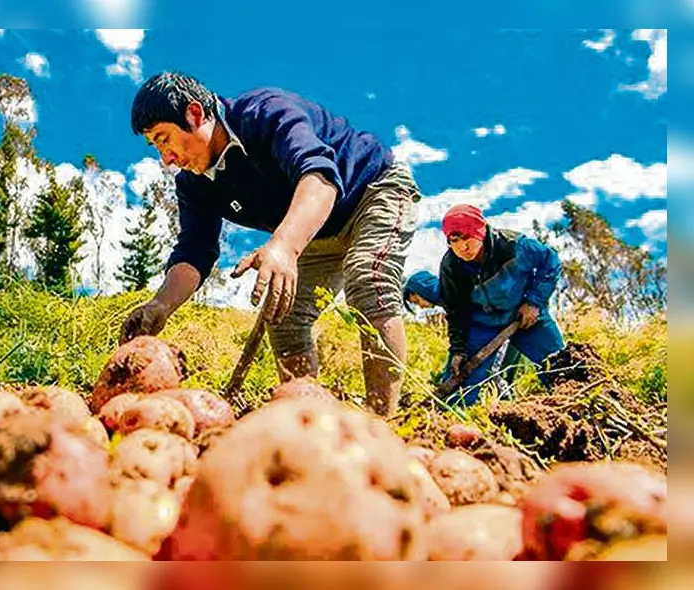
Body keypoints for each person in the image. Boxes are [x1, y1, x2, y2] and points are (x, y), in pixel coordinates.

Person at [118, 71, 422, 418]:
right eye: (156, 146)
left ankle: (382, 423)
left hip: (371, 191)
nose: (165, 158)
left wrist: (284, 247)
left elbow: (320, 178)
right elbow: (195, 250)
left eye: (164, 138)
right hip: (317, 233)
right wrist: (160, 305)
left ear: (194, 114)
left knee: (368, 277)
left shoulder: (266, 113)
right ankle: (304, 421)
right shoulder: (194, 185)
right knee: (284, 315)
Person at [436, 203, 566, 406]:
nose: (463, 246)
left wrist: (533, 302)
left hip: (525, 316)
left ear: (480, 231)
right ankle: (446, 424)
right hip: (483, 325)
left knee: (560, 366)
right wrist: (458, 349)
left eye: (468, 236)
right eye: (455, 240)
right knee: (459, 385)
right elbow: (456, 311)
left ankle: (580, 411)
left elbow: (550, 262)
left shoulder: (514, 246)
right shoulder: (451, 266)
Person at [403, 270, 526, 390]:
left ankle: (507, 400)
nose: (420, 306)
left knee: (492, 371)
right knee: (496, 370)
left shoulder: (453, 291)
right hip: (505, 323)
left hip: (505, 323)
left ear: (424, 289)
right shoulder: (447, 298)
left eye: (417, 300)